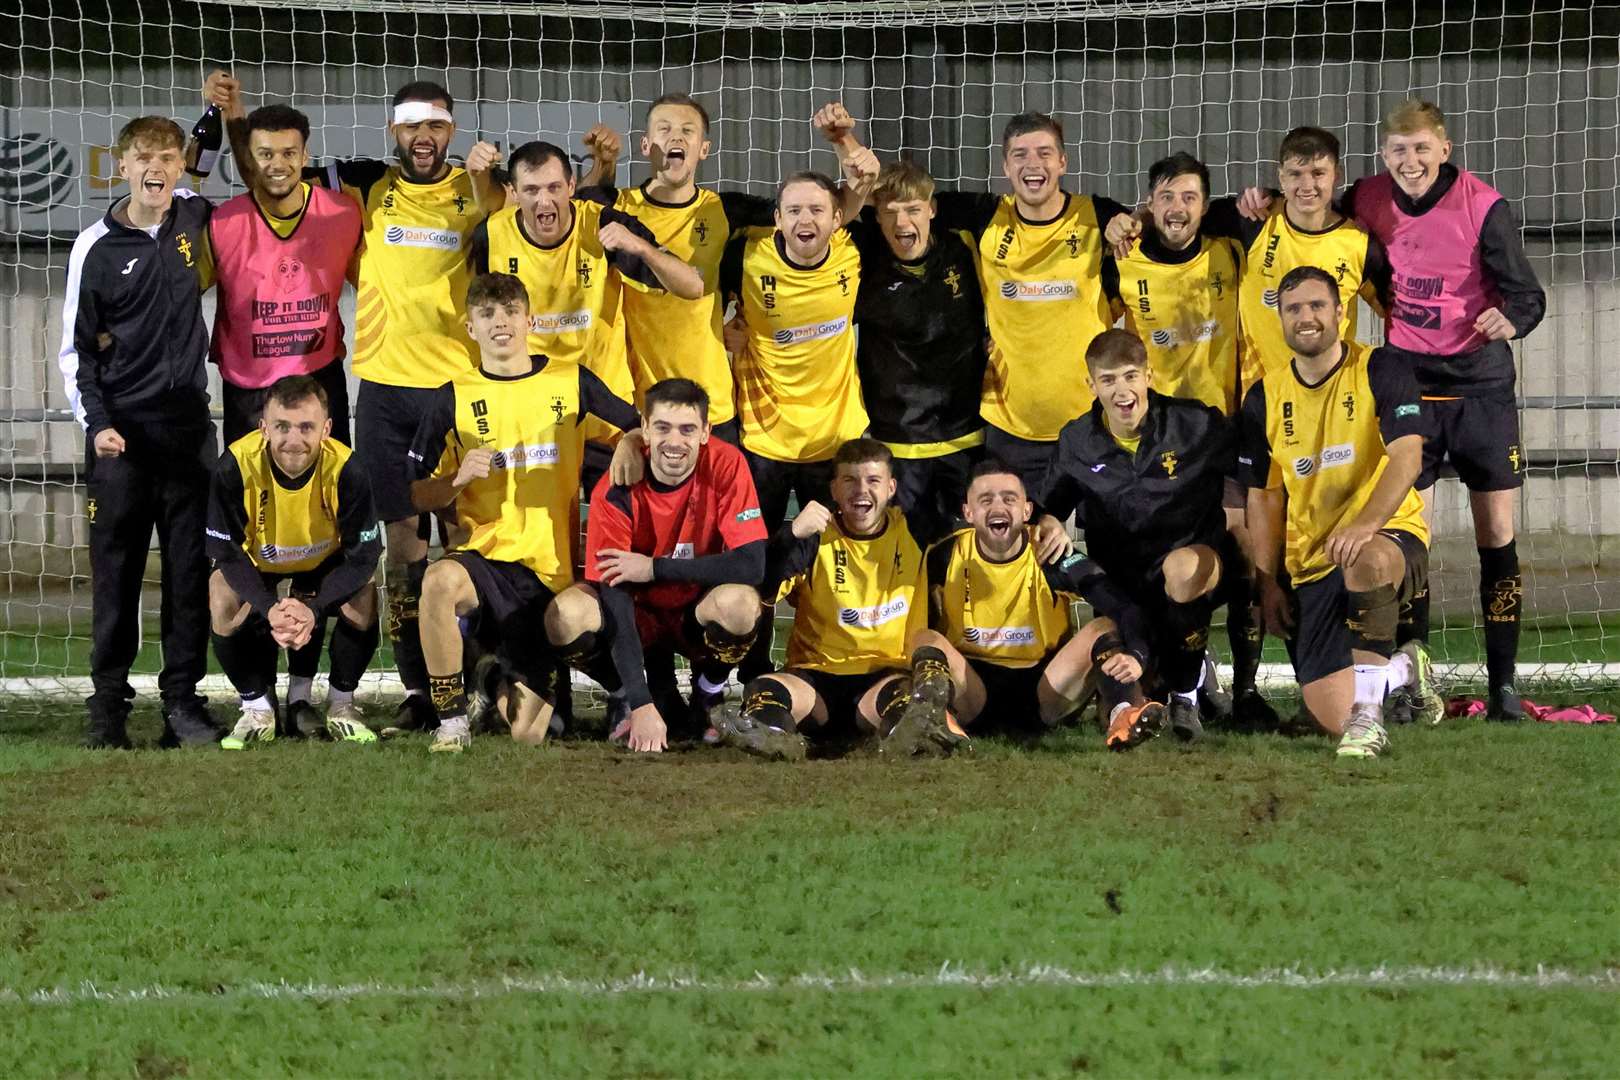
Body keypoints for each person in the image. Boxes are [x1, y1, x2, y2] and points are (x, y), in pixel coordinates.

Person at [211, 73, 506, 735]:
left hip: (456, 392)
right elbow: (268, 177)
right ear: (394, 131)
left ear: (450, 132)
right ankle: (418, 691)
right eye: (411, 126)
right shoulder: (363, 185)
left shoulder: (474, 188)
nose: (422, 137)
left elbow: (515, 221)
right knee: (401, 549)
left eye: (435, 126)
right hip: (380, 392)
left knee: (464, 545)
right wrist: (234, 119)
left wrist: (503, 174)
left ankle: (477, 685)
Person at [1344, 100, 1547, 720]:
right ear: (1384, 155)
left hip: (1480, 388)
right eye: (1399, 151)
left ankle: (1504, 684)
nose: (1410, 161)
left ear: (1445, 149)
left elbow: (1528, 296)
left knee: (1496, 536)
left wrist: (1508, 319)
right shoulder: (1366, 198)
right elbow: (1307, 205)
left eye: (1421, 149)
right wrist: (1255, 203)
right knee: (1410, 539)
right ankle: (1414, 682)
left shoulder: (1484, 207)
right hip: (1409, 383)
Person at [408, 273, 641, 754]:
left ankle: (494, 675)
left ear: (529, 320)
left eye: (511, 312)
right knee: (437, 581)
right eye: (487, 315)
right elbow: (414, 495)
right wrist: (455, 480)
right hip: (484, 559)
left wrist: (631, 443)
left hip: (548, 572)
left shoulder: (571, 380)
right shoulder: (451, 396)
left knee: (529, 734)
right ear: (470, 328)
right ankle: (451, 720)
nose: (501, 323)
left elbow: (639, 425)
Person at [200, 94, 366, 733]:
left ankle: (307, 693)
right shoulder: (224, 221)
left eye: (288, 154)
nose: (277, 165)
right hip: (247, 393)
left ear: (306, 154)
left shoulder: (341, 214)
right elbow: (180, 287)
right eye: (263, 154)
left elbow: (381, 287)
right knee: (254, 540)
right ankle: (258, 699)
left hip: (321, 386)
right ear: (251, 158)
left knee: (327, 538)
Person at [58, 115, 221, 748]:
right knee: (116, 578)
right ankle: (108, 706)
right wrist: (96, 423)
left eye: (168, 158)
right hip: (120, 441)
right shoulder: (92, 246)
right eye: (143, 157)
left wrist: (212, 114)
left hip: (186, 438)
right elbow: (78, 353)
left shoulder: (191, 217)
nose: (156, 168)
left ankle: (182, 703)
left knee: (187, 576)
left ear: (181, 168)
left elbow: (204, 159)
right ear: (120, 165)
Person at [1240, 267, 1442, 758]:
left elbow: (1407, 455)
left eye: (1316, 306)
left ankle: (1370, 721)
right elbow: (1264, 498)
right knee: (1331, 712)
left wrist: (1365, 524)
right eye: (1293, 309)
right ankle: (1406, 667)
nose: (1305, 318)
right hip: (1313, 562)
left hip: (1388, 538)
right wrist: (1267, 582)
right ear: (1281, 319)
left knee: (1364, 560)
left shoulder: (1381, 367)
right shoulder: (1263, 397)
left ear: (1339, 312)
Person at [1105, 151, 1272, 730]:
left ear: (1207, 206)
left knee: (1246, 557)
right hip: (1157, 446)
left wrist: (1255, 200)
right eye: (1167, 197)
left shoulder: (1230, 247)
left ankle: (1247, 693)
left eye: (1191, 198)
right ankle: (1190, 677)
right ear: (1150, 203)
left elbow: (1279, 210)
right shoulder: (1121, 262)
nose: (1178, 209)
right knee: (1170, 571)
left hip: (1226, 435)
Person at [466, 138, 703, 494]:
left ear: (572, 187)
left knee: (620, 528)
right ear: (513, 192)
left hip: (603, 417)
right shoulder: (492, 235)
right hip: (532, 418)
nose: (544, 201)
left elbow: (692, 286)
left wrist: (638, 246)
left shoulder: (603, 225)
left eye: (553, 188)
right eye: (531, 190)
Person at [918, 112, 1134, 492]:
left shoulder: (1097, 217)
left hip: (1092, 422)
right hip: (1011, 428)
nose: (1033, 164)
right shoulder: (984, 217)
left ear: (1063, 161)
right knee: (1019, 544)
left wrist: (1137, 219)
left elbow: (1160, 229)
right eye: (1020, 154)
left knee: (1104, 546)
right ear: (1005, 165)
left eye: (1044, 153)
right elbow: (904, 204)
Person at [1037, 330, 1236, 742]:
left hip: (1194, 570)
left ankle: (1187, 697)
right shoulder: (1076, 441)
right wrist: (1049, 521)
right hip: (1124, 588)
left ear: (1149, 375)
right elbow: (1046, 509)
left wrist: (1245, 538)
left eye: (1130, 376)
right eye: (1108, 380)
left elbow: (1250, 477)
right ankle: (1194, 670)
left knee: (1181, 570)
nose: (1122, 390)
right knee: (1129, 706)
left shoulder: (1195, 423)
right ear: (1091, 386)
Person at [719, 168, 876, 682]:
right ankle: (750, 673)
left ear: (838, 218)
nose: (805, 219)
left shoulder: (856, 251)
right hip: (763, 441)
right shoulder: (745, 255)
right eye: (793, 210)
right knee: (757, 564)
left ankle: (826, 667)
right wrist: (721, 331)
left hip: (836, 441)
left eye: (816, 210)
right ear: (777, 219)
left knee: (833, 566)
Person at [558, 378, 768, 753]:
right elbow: (615, 591)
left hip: (694, 612)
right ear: (644, 429)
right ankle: (623, 696)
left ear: (705, 432)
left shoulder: (727, 463)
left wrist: (654, 568)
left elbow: (752, 565)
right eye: (663, 428)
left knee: (741, 604)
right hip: (639, 617)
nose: (675, 442)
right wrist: (641, 700)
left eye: (688, 429)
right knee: (566, 615)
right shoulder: (615, 486)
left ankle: (708, 695)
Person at [903, 459, 1168, 750]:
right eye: (985, 499)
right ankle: (939, 721)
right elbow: (920, 631)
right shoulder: (943, 555)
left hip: (1046, 692)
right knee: (924, 637)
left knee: (1103, 626)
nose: (998, 508)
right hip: (971, 689)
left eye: (1009, 498)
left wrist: (1138, 657)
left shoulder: (1050, 553)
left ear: (1027, 510)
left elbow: (1123, 607)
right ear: (968, 511)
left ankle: (1122, 715)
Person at [714, 439, 947, 760]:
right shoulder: (814, 535)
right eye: (849, 480)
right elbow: (764, 587)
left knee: (906, 701)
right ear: (833, 490)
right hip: (814, 683)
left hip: (883, 679)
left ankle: (905, 736)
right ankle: (775, 740)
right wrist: (792, 533)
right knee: (764, 691)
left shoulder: (914, 531)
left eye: (873, 481)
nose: (861, 490)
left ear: (892, 487)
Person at [206, 376, 382, 748]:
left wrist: (313, 608)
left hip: (323, 563)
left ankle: (340, 705)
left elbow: (364, 557)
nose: (293, 440)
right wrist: (270, 608)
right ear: (264, 427)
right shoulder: (234, 466)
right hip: (258, 565)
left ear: (327, 428)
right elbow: (227, 554)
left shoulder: (348, 469)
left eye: (307, 427)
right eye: (282, 427)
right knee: (220, 591)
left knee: (365, 596)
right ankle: (257, 709)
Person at [611, 93, 778, 443]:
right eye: (665, 128)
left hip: (712, 404)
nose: (676, 137)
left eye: (688, 131)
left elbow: (808, 218)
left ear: (703, 148)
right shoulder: (618, 209)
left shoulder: (725, 209)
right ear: (646, 145)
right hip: (645, 408)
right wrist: (602, 165)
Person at [1208, 126, 1391, 382]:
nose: (1307, 185)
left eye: (1318, 173)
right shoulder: (1252, 219)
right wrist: (1139, 219)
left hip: (1330, 398)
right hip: (1261, 401)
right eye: (1295, 174)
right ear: (1281, 177)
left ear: (1336, 175)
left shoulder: (1360, 244)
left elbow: (1398, 313)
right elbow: (1178, 218)